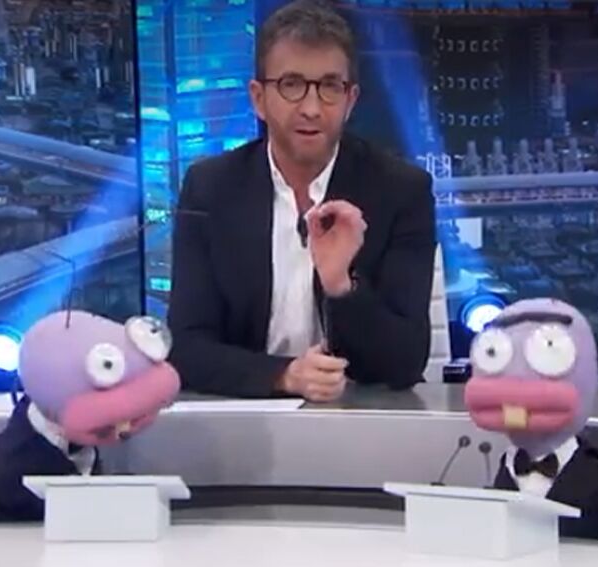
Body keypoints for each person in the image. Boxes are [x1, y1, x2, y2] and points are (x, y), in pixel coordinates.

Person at [167, 0, 436, 401]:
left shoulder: (401, 191)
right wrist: (284, 376)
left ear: (350, 100)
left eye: (330, 87)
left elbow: (405, 363)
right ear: (258, 98)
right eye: (291, 85)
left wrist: (341, 285)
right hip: (247, 414)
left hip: (363, 418)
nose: (311, 108)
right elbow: (186, 347)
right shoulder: (211, 188)